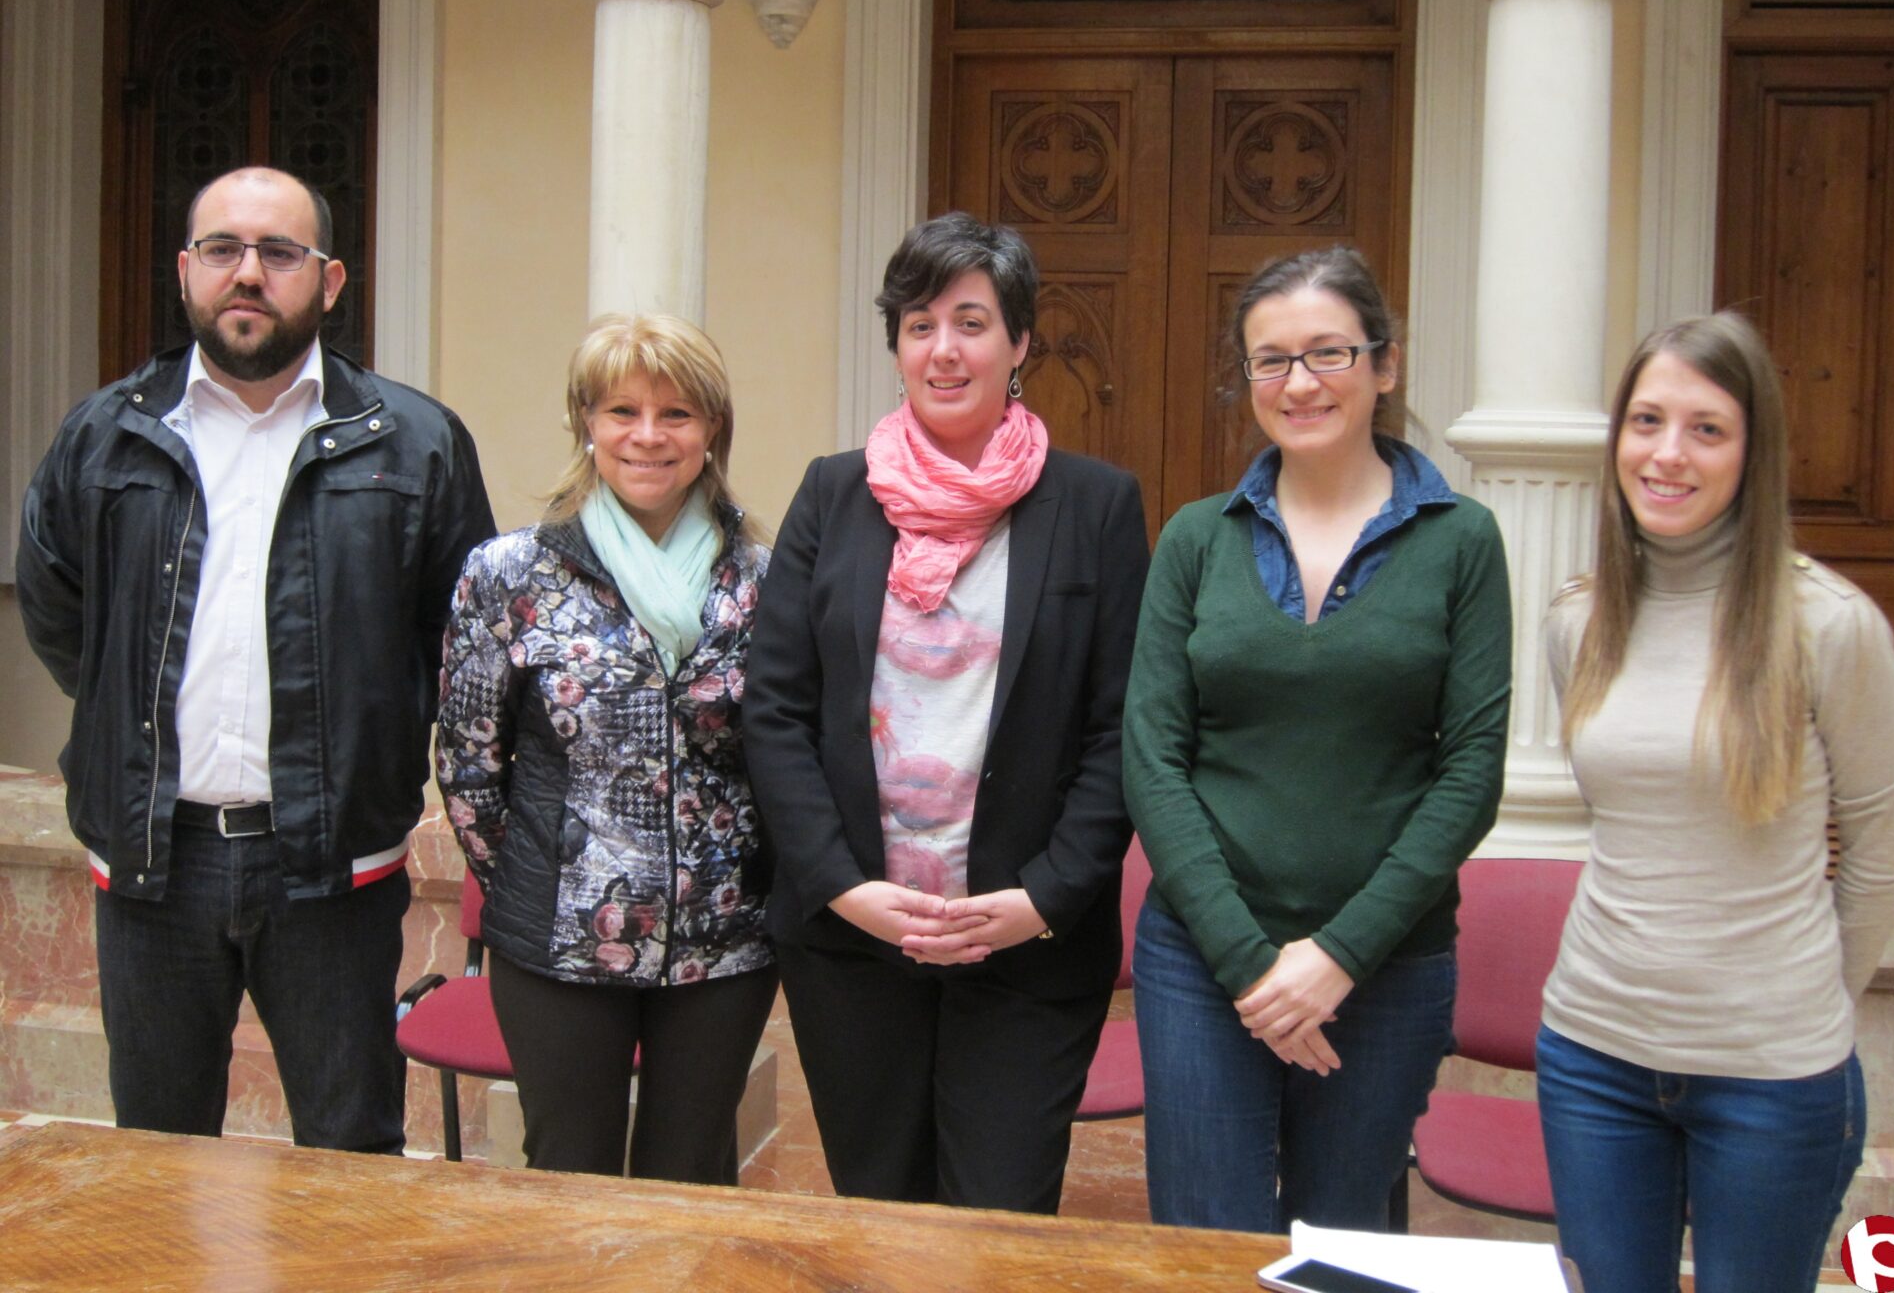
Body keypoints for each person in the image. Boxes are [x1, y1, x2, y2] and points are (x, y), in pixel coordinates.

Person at [16, 165, 496, 1151]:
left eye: (279, 252)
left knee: (351, 1152)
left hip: (330, 867)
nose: (248, 273)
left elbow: (463, 640)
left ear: (328, 281)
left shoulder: (414, 444)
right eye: (222, 249)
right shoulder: (105, 436)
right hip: (153, 862)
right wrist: (129, 716)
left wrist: (375, 738)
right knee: (155, 1154)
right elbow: (62, 612)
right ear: (185, 270)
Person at [743, 211, 1150, 1213]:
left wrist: (1044, 898)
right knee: (881, 1215)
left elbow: (1122, 729)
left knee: (996, 1226)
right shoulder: (832, 496)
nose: (944, 350)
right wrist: (842, 887)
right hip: (854, 945)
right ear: (896, 347)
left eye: (971, 323)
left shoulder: (1095, 507)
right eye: (919, 325)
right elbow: (777, 711)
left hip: (1025, 947)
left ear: (1020, 344)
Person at [1122, 245, 1512, 1234]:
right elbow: (1152, 759)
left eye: (1328, 352)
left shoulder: (1461, 540)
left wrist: (1338, 955)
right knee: (1204, 1249)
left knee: (1344, 1250)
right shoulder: (1196, 539)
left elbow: (1470, 774)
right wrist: (1250, 964)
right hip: (1203, 963)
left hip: (1386, 967)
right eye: (1272, 360)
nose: (1299, 383)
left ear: (1385, 365)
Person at [1536, 312, 1894, 1293]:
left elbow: (1881, 854)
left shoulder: (1830, 626)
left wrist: (1804, 1006)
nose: (1668, 453)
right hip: (1593, 1057)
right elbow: (1623, 820)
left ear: (1754, 452)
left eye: (1706, 429)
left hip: (1772, 1076)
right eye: (1647, 421)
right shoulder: (1579, 619)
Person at [436, 314, 778, 1181]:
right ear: (585, 422)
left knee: (692, 1174)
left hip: (724, 939)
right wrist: (536, 873)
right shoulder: (508, 574)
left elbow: (785, 758)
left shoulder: (762, 580)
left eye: (677, 414)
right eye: (623, 410)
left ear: (713, 429)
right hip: (557, 937)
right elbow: (469, 765)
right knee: (570, 1172)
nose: (648, 436)